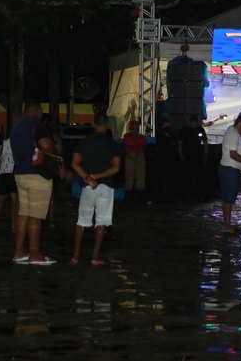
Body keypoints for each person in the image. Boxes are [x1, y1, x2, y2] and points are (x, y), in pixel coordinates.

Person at [11, 99, 64, 265]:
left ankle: (19, 251)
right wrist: (55, 154)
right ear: (38, 112)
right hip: (37, 175)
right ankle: (34, 253)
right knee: (36, 215)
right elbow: (46, 145)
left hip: (20, 174)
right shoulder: (37, 126)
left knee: (23, 213)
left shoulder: (16, 128)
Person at [70, 113, 122, 266]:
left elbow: (74, 163)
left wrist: (88, 177)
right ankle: (94, 257)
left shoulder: (85, 142)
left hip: (88, 186)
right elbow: (116, 168)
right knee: (101, 222)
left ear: (93, 124)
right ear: (107, 125)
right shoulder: (111, 144)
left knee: (81, 221)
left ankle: (75, 256)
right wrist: (97, 176)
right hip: (106, 186)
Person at [219, 114, 241, 234]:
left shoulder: (235, 133)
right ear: (239, 123)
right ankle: (227, 226)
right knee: (228, 199)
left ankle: (227, 223)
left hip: (230, 169)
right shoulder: (233, 134)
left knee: (228, 199)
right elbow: (233, 154)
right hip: (229, 169)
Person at [177, 115, 211, 203]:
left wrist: (205, 156)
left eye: (195, 123)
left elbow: (205, 143)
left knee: (198, 178)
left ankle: (198, 196)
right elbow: (179, 145)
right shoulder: (185, 130)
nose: (194, 124)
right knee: (187, 178)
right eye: (193, 123)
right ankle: (186, 196)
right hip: (188, 156)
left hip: (197, 156)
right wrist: (182, 157)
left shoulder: (199, 129)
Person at [0, 136, 18, 232]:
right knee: (15, 201)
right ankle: (14, 224)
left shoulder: (4, 143)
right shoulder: (21, 141)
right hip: (15, 172)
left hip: (4, 172)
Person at [122, 119, 147, 202]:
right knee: (129, 176)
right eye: (135, 126)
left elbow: (142, 145)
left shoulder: (141, 137)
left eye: (137, 126)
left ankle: (139, 194)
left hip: (139, 155)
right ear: (131, 127)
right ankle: (129, 195)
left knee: (141, 176)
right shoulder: (127, 136)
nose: (137, 127)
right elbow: (128, 146)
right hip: (131, 155)